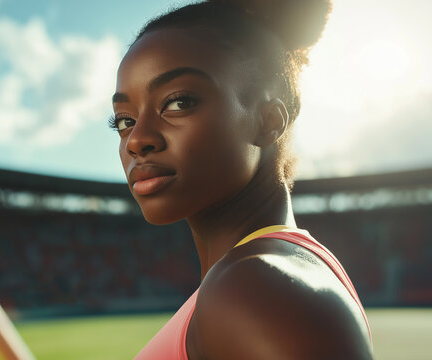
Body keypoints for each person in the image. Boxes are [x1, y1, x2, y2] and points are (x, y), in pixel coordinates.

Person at [109, 0, 373, 358]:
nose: (137, 140)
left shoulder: (256, 290)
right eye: (124, 120)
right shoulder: (272, 275)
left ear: (269, 121)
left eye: (178, 102)